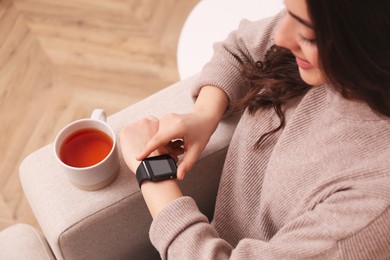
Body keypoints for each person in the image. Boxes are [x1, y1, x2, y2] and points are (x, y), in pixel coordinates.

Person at [119, 0, 390, 259]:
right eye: (287, 11)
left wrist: (154, 173)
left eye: (308, 35)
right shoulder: (334, 34)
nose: (281, 37)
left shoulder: (371, 211)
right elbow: (239, 47)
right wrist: (203, 115)